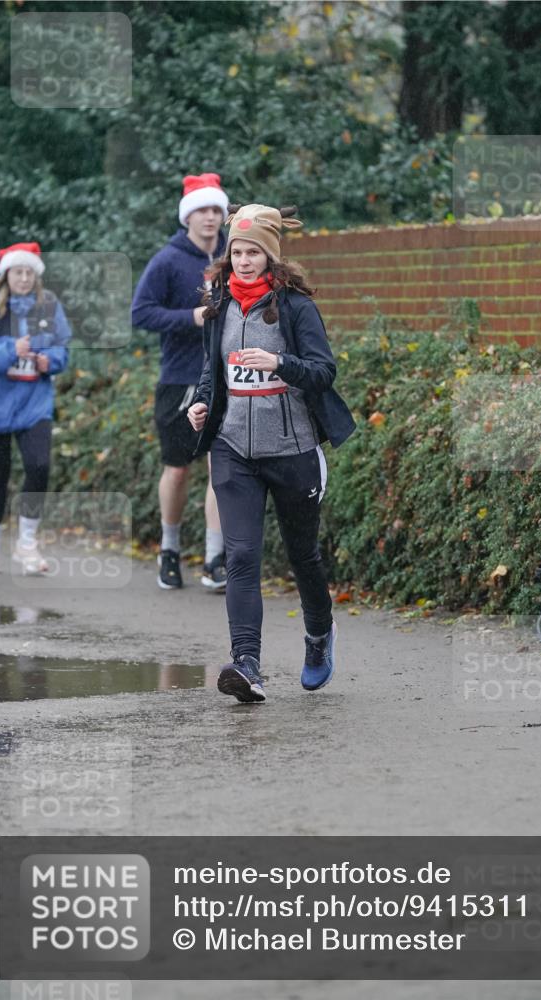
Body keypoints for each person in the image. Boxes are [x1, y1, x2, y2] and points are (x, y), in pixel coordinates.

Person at [187, 203, 356, 704]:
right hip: (233, 448)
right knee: (241, 555)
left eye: (253, 252)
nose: (243, 260)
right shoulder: (218, 304)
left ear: (270, 256)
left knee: (303, 556)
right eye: (236, 251)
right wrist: (201, 403)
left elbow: (324, 371)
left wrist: (280, 362)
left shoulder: (296, 307)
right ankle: (246, 664)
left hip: (293, 449)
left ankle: (319, 637)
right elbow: (210, 371)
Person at [131, 173, 229, 591]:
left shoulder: (236, 254)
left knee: (219, 469)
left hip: (225, 378)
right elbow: (140, 313)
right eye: (202, 211)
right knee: (177, 470)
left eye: (216, 211)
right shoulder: (168, 260)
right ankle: (169, 550)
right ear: (188, 217)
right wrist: (190, 317)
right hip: (179, 379)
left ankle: (214, 558)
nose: (210, 218)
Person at [0, 241, 71, 575]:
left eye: (29, 272)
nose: (23, 278)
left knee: (38, 466)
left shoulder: (47, 306)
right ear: (6, 274)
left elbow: (63, 348)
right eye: (18, 272)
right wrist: (10, 349)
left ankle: (27, 545)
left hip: (35, 405)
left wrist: (51, 361)